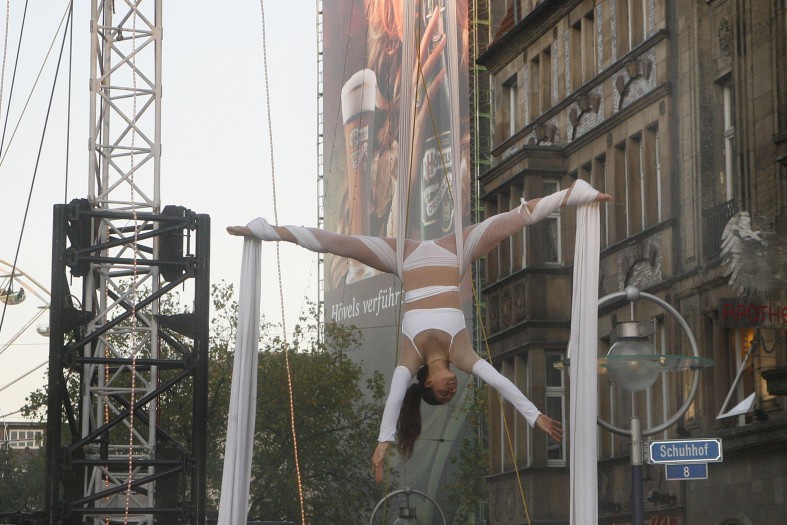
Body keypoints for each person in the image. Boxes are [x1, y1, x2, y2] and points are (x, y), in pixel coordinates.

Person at [228, 178, 611, 483]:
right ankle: (574, 193)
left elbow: (395, 398)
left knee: (338, 244)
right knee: (517, 218)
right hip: (455, 252)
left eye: (442, 393)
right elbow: (499, 381)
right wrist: (534, 415)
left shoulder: (409, 358)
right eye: (452, 393)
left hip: (405, 258)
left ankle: (265, 230)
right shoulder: (462, 353)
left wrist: (384, 441)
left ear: (427, 383)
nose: (451, 389)